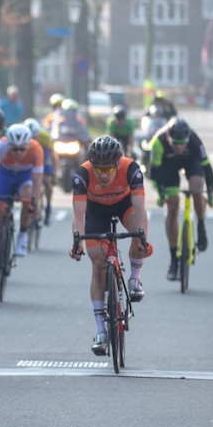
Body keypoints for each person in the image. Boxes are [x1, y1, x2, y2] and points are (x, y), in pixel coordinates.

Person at [70, 135, 150, 354]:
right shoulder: (83, 175)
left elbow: (140, 207)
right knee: (98, 263)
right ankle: (101, 331)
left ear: (118, 165)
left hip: (125, 205)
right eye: (99, 170)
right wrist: (77, 239)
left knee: (139, 228)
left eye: (108, 170)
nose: (103, 175)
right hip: (97, 212)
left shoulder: (131, 169)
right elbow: (78, 215)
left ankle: (135, 278)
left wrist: (141, 235)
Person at [149, 117, 213, 281]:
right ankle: (174, 260)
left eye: (182, 143)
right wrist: (161, 193)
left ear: (187, 139)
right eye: (175, 143)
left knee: (197, 189)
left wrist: (211, 195)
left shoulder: (194, 140)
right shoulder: (158, 142)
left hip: (191, 162)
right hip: (168, 166)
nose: (179, 147)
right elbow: (154, 172)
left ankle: (200, 225)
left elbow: (207, 169)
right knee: (172, 207)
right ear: (169, 138)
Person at [0, 123, 43, 290]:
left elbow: (37, 180)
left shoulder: (36, 149)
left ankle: (23, 234)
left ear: (28, 145)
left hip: (25, 178)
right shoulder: (0, 145)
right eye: (15, 149)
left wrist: (34, 202)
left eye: (23, 149)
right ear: (9, 145)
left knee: (28, 196)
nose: (19, 153)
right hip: (4, 177)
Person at [23, 117, 56, 224]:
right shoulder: (21, 136)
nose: (32, 140)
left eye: (34, 137)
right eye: (30, 138)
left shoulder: (45, 137)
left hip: (43, 156)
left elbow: (52, 156)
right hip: (28, 156)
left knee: (47, 182)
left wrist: (54, 174)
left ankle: (48, 207)